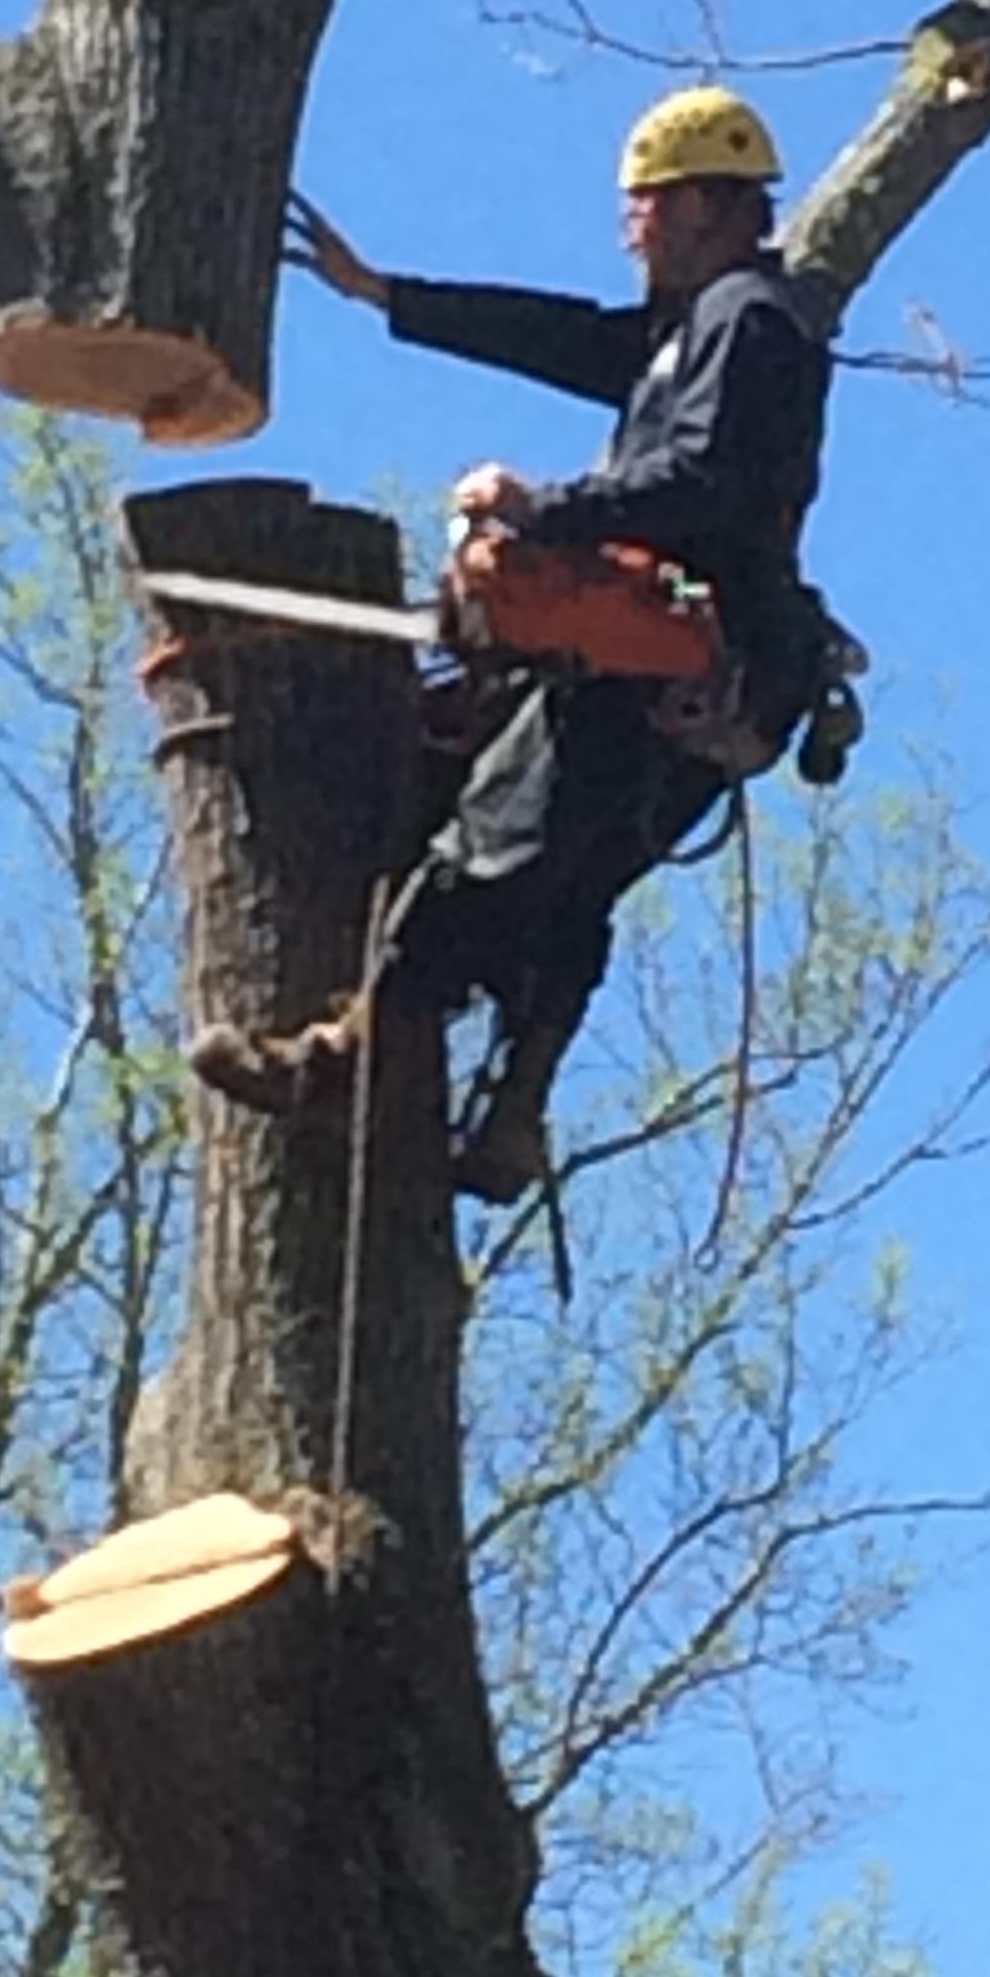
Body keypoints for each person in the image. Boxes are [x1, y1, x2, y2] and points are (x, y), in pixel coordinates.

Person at [190, 85, 836, 1203]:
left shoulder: (750, 321)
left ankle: (341, 1059)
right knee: (565, 886)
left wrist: (548, 511)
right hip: (713, 685)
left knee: (484, 849)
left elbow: (706, 484)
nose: (630, 227)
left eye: (646, 206)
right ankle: (512, 1121)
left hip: (674, 669)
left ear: (706, 207)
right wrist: (388, 294)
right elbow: (558, 334)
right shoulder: (690, 331)